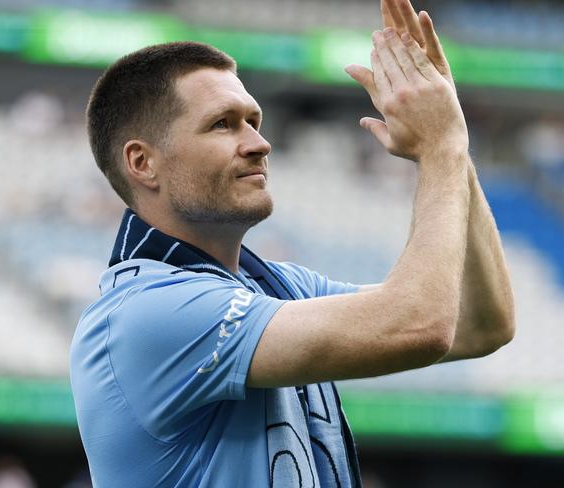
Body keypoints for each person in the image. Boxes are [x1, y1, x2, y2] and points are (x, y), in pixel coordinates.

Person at [70, 0, 515, 486]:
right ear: (142, 162)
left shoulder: (275, 286)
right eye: (223, 124)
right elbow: (420, 324)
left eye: (254, 121)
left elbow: (478, 324)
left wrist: (453, 144)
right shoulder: (146, 312)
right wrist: (441, 146)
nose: (259, 143)